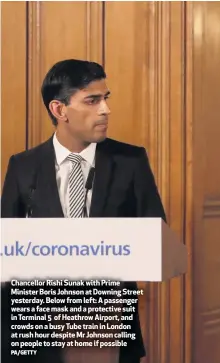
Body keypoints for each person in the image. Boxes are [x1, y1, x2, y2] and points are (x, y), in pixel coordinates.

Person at [1, 59, 166, 363]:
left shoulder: (131, 161)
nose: (105, 109)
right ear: (59, 110)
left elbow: (157, 243)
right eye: (92, 100)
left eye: (106, 98)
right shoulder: (22, 166)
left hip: (109, 328)